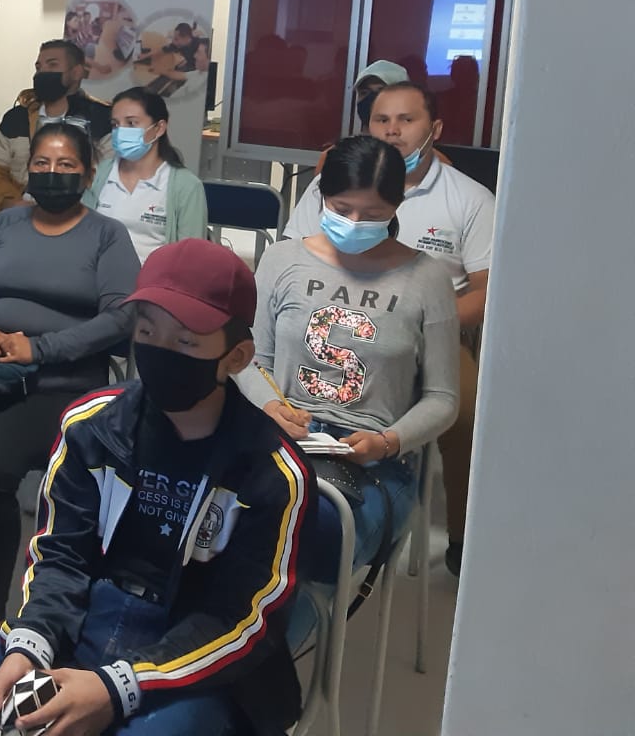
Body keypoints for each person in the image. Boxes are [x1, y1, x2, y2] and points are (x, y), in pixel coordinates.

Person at [0, 240, 312, 736]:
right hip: (85, 620)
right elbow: (61, 556)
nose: (159, 351)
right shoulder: (92, 425)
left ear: (236, 357)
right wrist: (30, 645)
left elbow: (242, 620)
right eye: (146, 331)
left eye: (186, 342)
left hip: (193, 658)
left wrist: (118, 686)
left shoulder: (274, 470)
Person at [0, 122, 140, 643]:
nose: (52, 174)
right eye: (42, 164)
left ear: (88, 174)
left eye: (66, 165)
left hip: (59, 383)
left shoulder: (107, 236)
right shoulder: (7, 223)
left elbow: (121, 317)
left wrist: (41, 348)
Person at [283, 82, 492, 575]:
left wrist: (426, 325)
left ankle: (461, 536)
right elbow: (290, 255)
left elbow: (487, 289)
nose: (393, 130)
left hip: (430, 337)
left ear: (434, 128)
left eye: (406, 120)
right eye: (381, 120)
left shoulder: (469, 198)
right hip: (330, 329)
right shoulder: (330, 186)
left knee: (465, 415)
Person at [245, 135, 459, 574]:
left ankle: (271, 618)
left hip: (376, 460)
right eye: (342, 209)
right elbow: (251, 361)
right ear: (322, 196)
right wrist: (270, 406)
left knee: (310, 536)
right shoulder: (282, 260)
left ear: (397, 206)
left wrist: (388, 442)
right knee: (226, 519)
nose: (356, 223)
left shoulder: (427, 279)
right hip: (284, 439)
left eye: (374, 215)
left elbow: (443, 399)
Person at [0, 38, 112, 214]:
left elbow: (107, 174)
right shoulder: (16, 118)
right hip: (19, 214)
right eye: (38, 67)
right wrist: (10, 203)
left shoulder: (101, 118)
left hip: (79, 215)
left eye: (52, 65)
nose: (42, 72)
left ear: (76, 72)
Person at [84, 86, 207, 261]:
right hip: (100, 275)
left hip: (155, 277)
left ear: (159, 128)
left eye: (131, 123)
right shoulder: (98, 174)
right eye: (115, 124)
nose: (120, 131)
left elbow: (192, 257)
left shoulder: (185, 186)